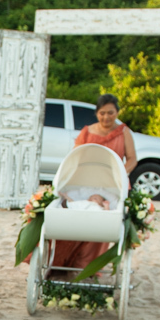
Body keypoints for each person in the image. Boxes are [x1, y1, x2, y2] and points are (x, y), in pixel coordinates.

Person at [48, 94, 138, 275]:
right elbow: (76, 157)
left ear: (117, 113)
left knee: (101, 227)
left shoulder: (124, 132)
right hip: (86, 182)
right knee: (74, 223)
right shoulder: (87, 132)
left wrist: (119, 175)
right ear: (97, 113)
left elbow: (132, 159)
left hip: (111, 184)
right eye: (102, 113)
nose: (106, 117)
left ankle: (87, 267)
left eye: (111, 113)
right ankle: (62, 264)